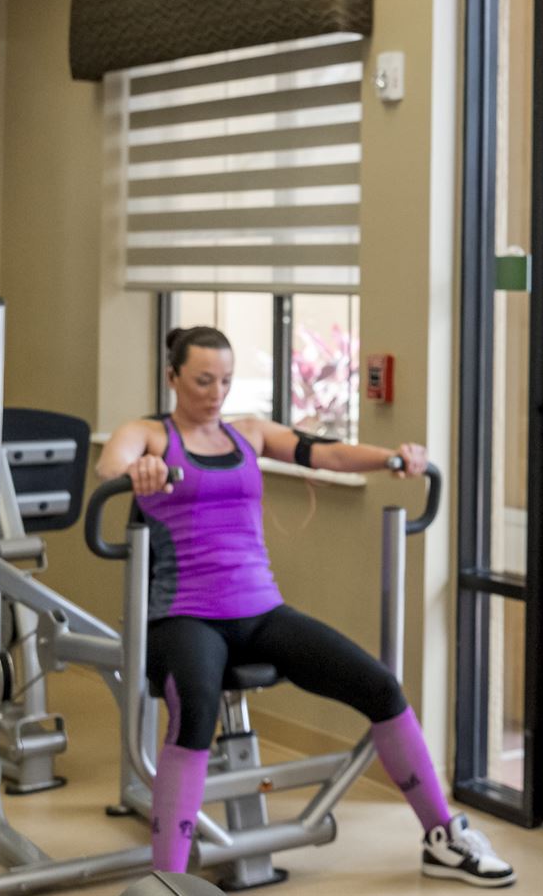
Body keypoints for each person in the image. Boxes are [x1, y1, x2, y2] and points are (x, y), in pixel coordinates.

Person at [96, 325, 516, 888]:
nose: (215, 392)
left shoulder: (248, 433)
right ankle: (168, 880)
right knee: (195, 710)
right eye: (201, 380)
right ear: (172, 377)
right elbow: (109, 468)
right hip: (184, 615)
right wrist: (136, 473)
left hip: (262, 611)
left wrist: (392, 458)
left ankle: (442, 836)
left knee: (380, 687)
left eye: (224, 379)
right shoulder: (149, 435)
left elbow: (328, 454)